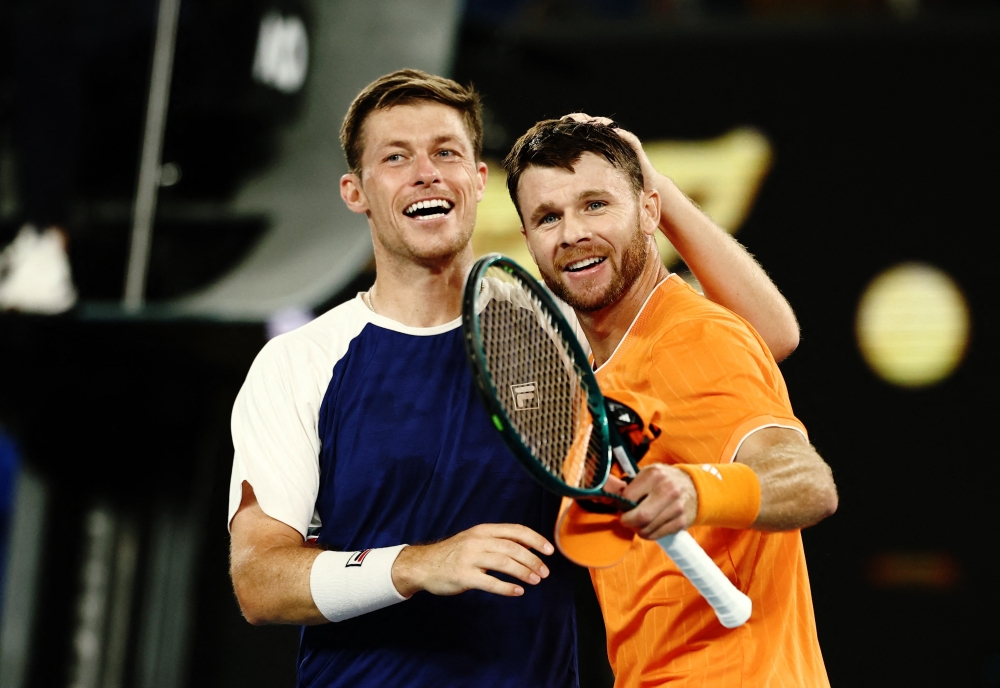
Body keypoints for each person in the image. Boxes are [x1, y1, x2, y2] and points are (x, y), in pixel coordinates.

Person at [227, 69, 802, 687]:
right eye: (396, 157)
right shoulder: (300, 363)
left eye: (446, 152)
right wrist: (421, 565)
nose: (426, 172)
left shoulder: (563, 340)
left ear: (479, 182)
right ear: (355, 191)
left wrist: (652, 187)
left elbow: (761, 338)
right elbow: (260, 582)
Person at [503, 115, 838, 687]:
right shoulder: (604, 362)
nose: (572, 233)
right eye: (548, 217)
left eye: (595, 205)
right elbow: (775, 336)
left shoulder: (694, 340)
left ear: (649, 211)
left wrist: (694, 489)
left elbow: (809, 483)